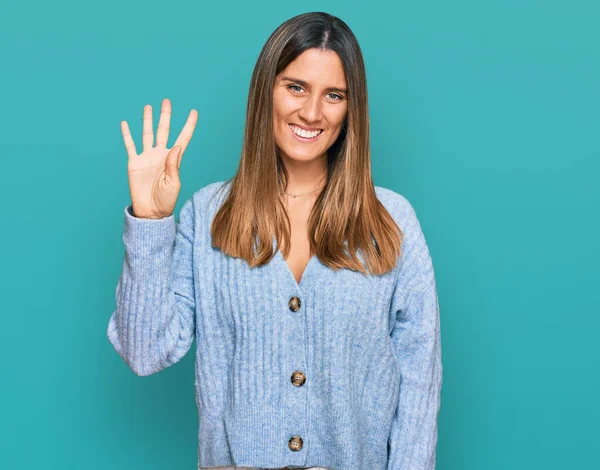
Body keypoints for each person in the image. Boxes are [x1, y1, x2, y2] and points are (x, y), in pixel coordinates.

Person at [107, 11, 442, 470]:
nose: (311, 112)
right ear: (267, 89)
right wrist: (150, 220)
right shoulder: (208, 215)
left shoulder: (391, 221)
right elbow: (145, 351)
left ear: (351, 110)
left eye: (334, 95)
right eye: (296, 87)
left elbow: (419, 386)